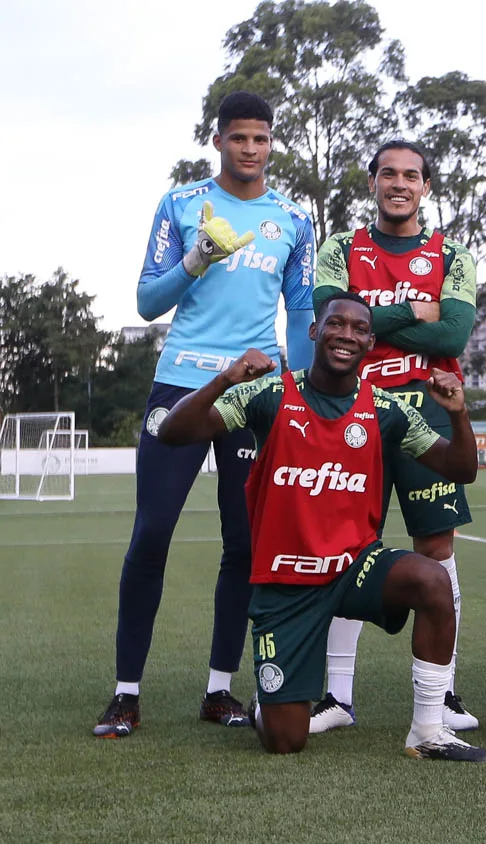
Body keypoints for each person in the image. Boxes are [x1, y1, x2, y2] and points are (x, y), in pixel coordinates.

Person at [154, 292, 486, 762]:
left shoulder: (385, 409)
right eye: (336, 324)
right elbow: (172, 431)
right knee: (285, 741)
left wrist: (457, 412)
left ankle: (429, 730)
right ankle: (268, 707)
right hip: (286, 582)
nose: (346, 335)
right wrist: (227, 378)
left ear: (370, 343)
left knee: (432, 579)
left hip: (354, 564)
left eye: (358, 329)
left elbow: (461, 469)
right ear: (315, 331)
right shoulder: (269, 395)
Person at [95, 91, 317, 739]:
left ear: (272, 143)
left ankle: (220, 691)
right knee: (151, 533)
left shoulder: (293, 220)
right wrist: (198, 259)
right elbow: (145, 301)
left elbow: (301, 316)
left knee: (245, 545)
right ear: (217, 140)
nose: (251, 148)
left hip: (257, 396)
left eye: (261, 138)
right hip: (182, 385)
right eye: (239, 137)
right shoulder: (182, 205)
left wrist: (298, 386)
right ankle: (125, 694)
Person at [305, 140, 480, 734]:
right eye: (387, 174)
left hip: (429, 407)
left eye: (410, 175)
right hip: (354, 409)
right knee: (343, 544)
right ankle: (335, 696)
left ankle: (445, 693)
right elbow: (332, 328)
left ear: (426, 187)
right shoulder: (340, 248)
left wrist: (373, 323)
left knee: (437, 549)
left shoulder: (453, 253)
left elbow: (452, 337)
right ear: (373, 183)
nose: (398, 183)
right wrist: (414, 309)